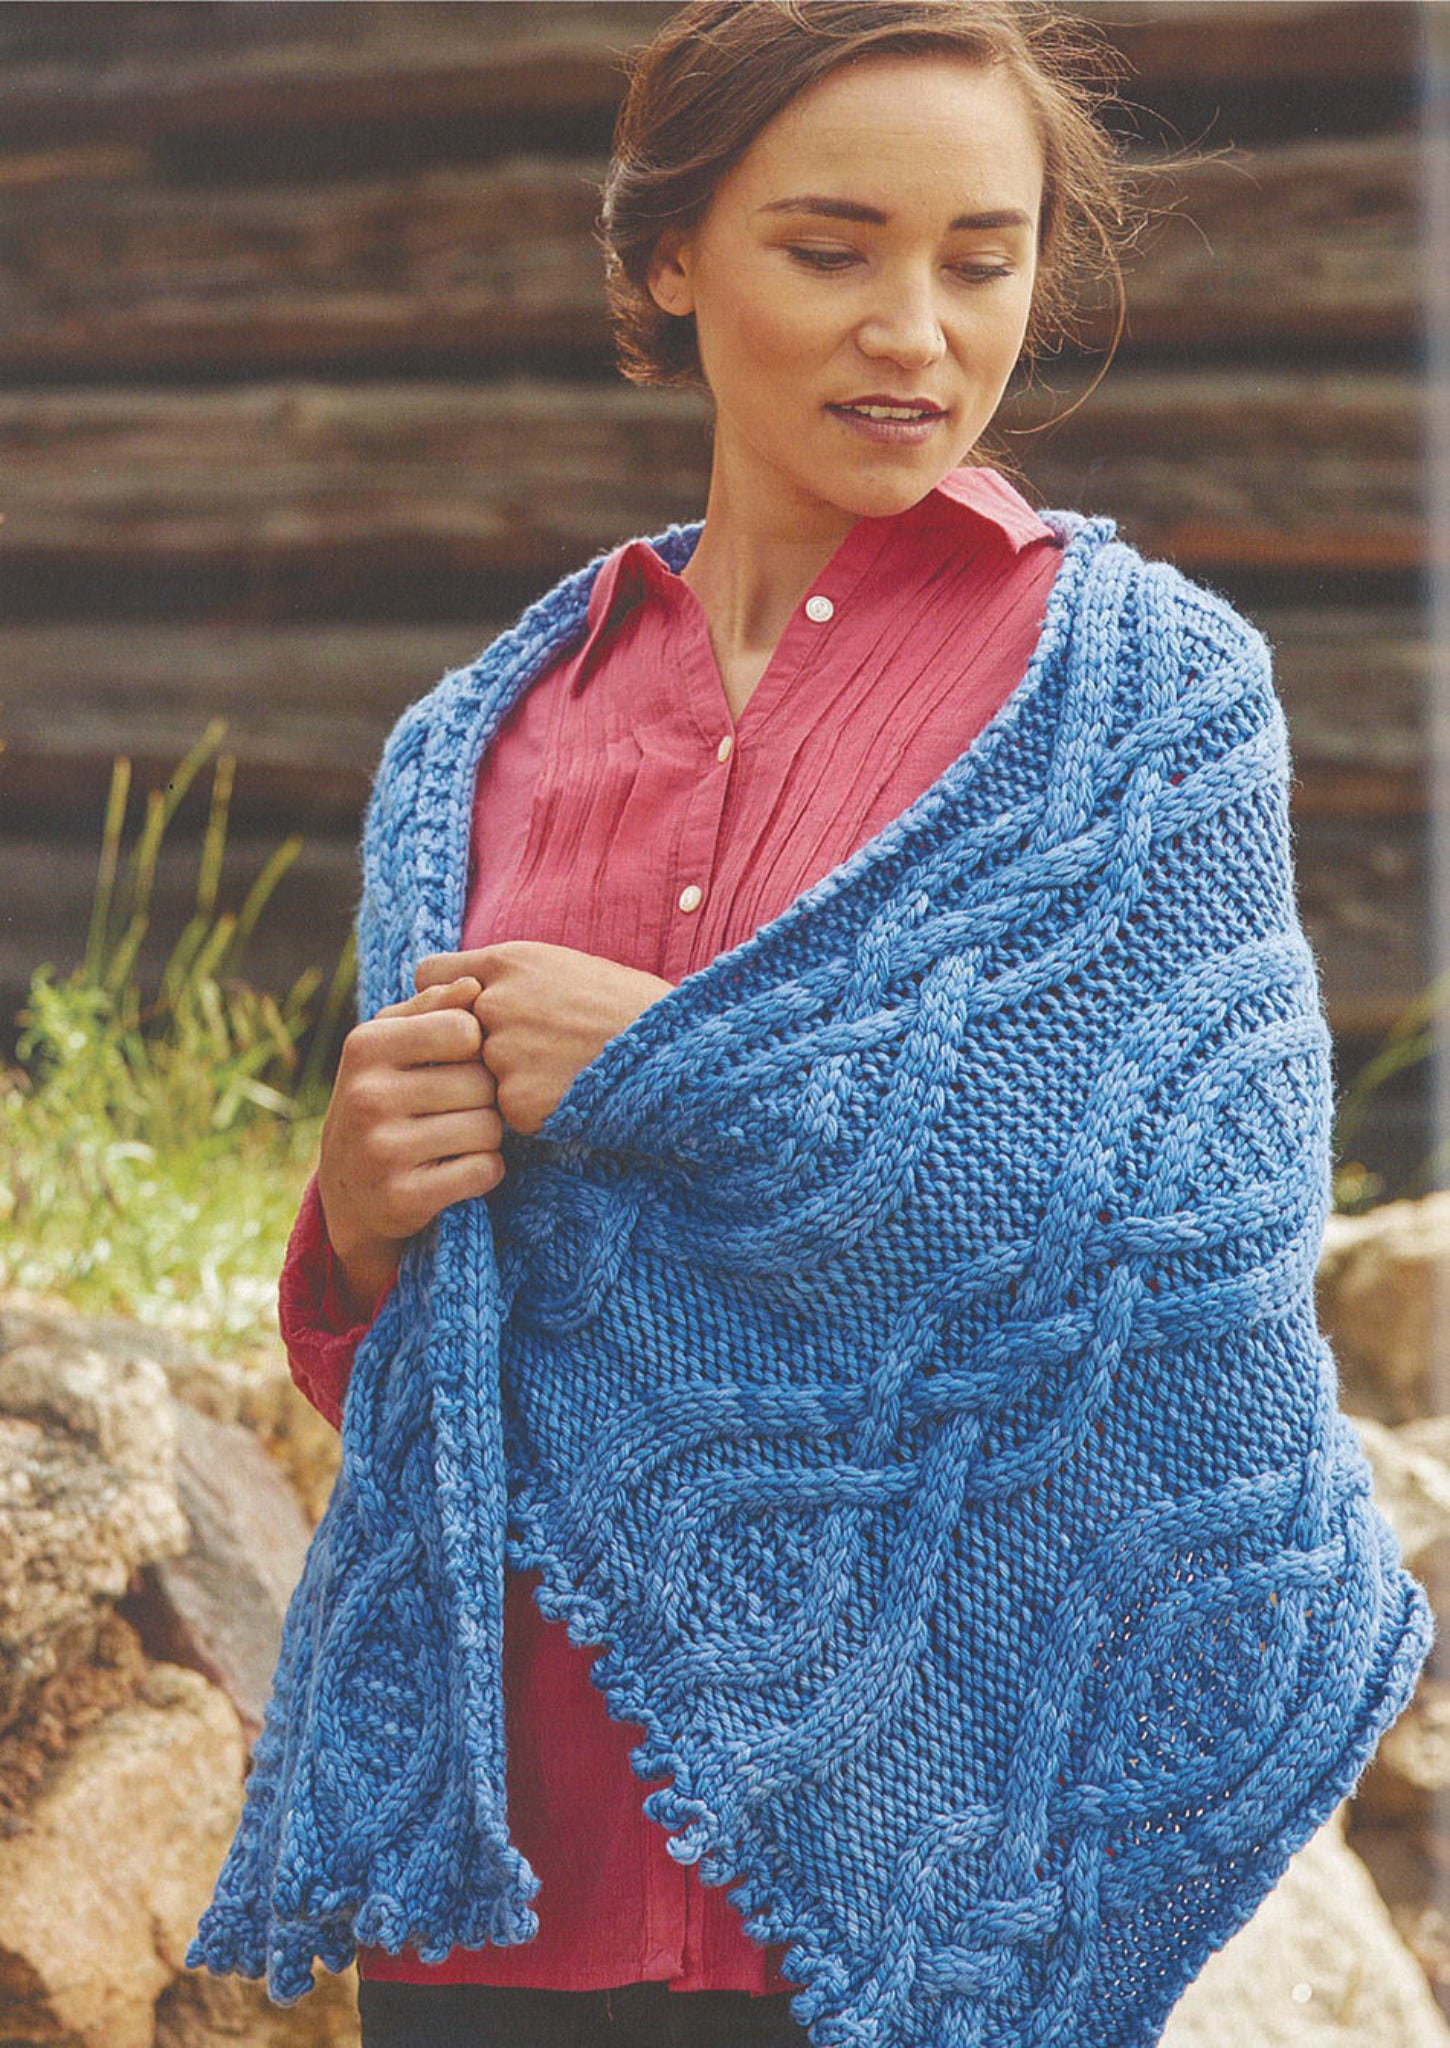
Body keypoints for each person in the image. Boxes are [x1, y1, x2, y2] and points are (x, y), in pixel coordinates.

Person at [189, 4, 1431, 2045]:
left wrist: (686, 1081)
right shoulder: (480, 742)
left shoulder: (1143, 707)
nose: (915, 333)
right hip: (518, 1881)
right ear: (668, 256)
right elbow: (450, 1371)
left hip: (925, 1831)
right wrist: (354, 1218)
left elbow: (1191, 1260)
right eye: (829, 249)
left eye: (980, 256)